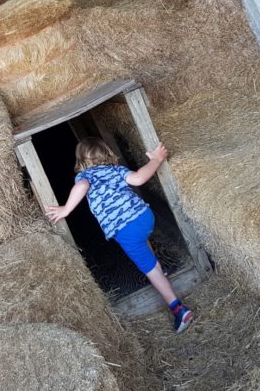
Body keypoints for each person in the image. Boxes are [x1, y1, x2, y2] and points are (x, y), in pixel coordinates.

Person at [47, 137, 195, 333]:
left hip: (126, 229)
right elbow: (139, 178)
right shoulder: (115, 170)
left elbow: (81, 187)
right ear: (107, 154)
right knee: (145, 247)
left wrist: (66, 209)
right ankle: (158, 267)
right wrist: (156, 160)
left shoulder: (85, 176)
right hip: (144, 216)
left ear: (81, 162)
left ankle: (178, 310)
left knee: (149, 269)